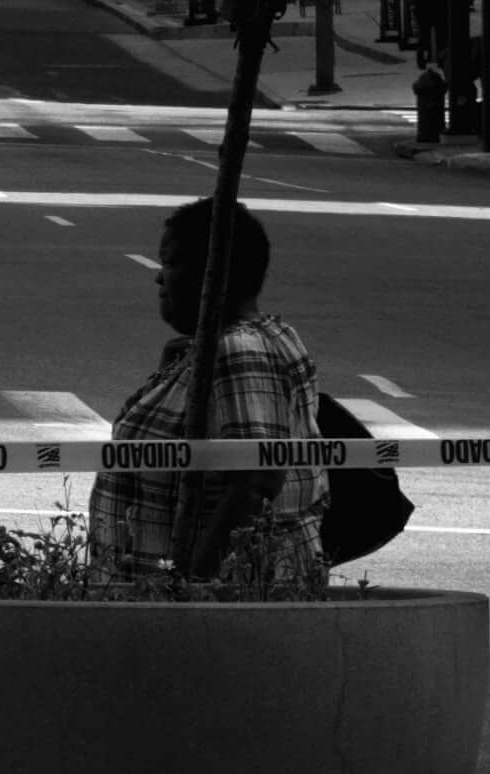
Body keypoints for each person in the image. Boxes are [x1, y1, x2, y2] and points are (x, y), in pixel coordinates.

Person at [89, 197, 329, 591]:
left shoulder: (238, 350)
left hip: (210, 606)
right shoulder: (244, 341)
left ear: (213, 274)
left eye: (171, 263)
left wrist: (194, 587)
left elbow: (256, 481)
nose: (159, 279)